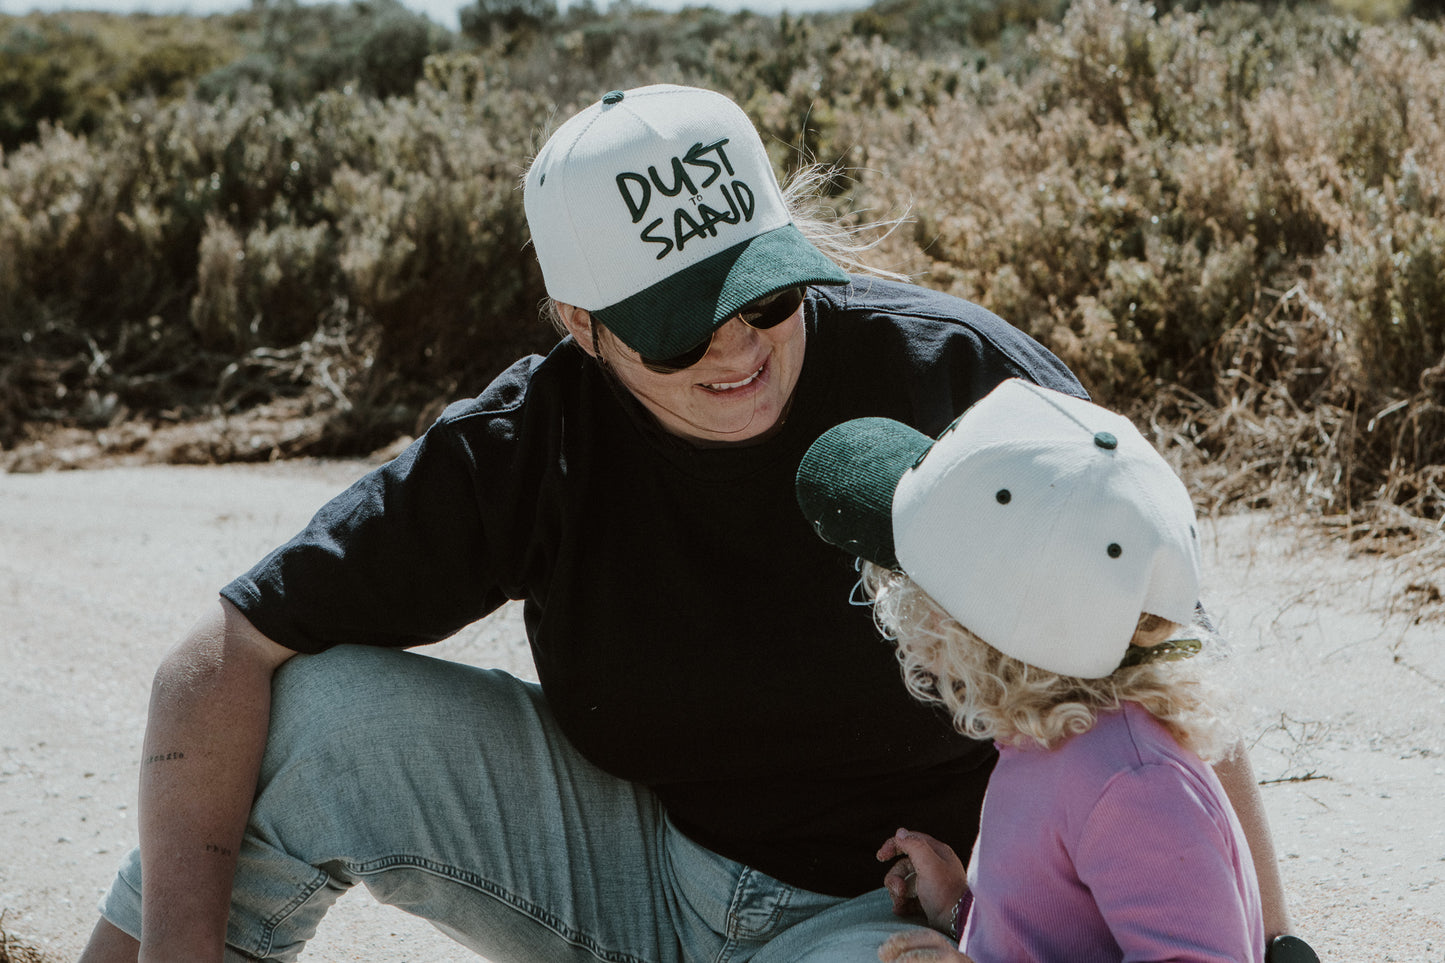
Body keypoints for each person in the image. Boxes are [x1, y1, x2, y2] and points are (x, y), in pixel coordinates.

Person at [78, 84, 1293, 963]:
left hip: (899, 920)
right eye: (675, 317)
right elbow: (217, 658)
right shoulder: (533, 440)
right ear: (578, 320)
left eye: (760, 288)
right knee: (315, 721)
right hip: (628, 865)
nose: (737, 343)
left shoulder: (955, 381)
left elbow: (1163, 649)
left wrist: (1275, 944)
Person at [795, 379, 1315, 963]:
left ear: (965, 627)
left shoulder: (1132, 783)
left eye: (909, 574)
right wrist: (962, 908)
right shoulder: (1051, 738)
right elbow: (1057, 940)